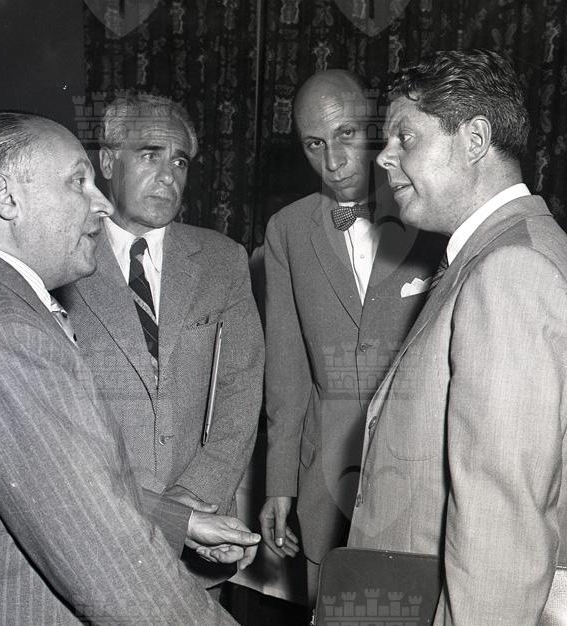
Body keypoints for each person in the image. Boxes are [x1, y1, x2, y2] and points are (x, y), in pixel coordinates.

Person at [0, 111, 260, 625]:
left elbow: (47, 482)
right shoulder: (8, 333)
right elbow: (111, 566)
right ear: (5, 197)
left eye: (180, 161)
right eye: (78, 182)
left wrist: (178, 518)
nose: (100, 202)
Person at [347, 49, 567, 624]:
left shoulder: (510, 270)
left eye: (405, 137)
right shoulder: (514, 249)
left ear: (475, 140)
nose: (384, 158)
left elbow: (500, 523)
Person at [56, 94, 264, 582]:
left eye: (179, 161)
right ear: (108, 163)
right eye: (150, 155)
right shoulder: (61, 262)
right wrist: (160, 511)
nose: (168, 176)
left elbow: (240, 391)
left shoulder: (222, 260)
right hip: (95, 531)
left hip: (202, 537)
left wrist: (193, 498)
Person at [259, 69, 444, 604]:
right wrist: (280, 482)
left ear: (377, 129)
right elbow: (287, 371)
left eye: (347, 134)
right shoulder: (287, 231)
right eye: (314, 144)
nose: (334, 161)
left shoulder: (433, 217)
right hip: (326, 485)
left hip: (419, 484)